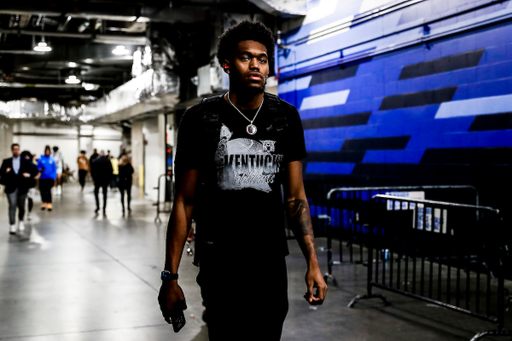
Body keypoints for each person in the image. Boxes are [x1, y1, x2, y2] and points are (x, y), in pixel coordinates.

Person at [157, 20, 327, 341]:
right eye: (245, 57)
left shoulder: (285, 118)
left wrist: (313, 263)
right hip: (220, 261)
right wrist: (170, 276)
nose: (255, 65)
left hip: (269, 262)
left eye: (262, 59)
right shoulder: (201, 120)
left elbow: (295, 198)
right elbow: (184, 202)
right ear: (227, 64)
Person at [0, 144, 39, 234]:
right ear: (12, 150)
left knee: (21, 206)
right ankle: (12, 225)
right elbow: (1, 172)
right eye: (14, 149)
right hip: (11, 187)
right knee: (12, 205)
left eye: (17, 149)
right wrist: (6, 172)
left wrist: (29, 175)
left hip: (23, 187)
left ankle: (21, 221)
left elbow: (35, 170)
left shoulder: (25, 161)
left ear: (19, 150)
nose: (16, 151)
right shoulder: (6, 161)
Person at [91, 150, 113, 215]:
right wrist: (109, 180)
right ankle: (104, 207)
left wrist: (94, 179)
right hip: (105, 180)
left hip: (97, 180)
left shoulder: (95, 161)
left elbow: (93, 171)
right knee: (105, 194)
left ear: (99, 154)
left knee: (96, 193)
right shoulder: (108, 161)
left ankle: (97, 206)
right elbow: (111, 170)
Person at [21, 151, 40, 221]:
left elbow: (36, 174)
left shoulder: (32, 165)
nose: (26, 158)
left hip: (31, 185)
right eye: (25, 157)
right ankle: (22, 213)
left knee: (30, 199)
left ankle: (29, 213)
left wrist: (29, 175)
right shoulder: (21, 165)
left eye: (28, 156)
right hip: (22, 185)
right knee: (21, 201)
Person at [38, 146, 57, 211]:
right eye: (46, 151)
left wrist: (54, 177)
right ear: (45, 152)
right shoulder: (41, 159)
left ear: (50, 152)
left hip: (49, 178)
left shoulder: (52, 160)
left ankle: (49, 203)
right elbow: (38, 167)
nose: (47, 152)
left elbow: (54, 169)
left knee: (48, 191)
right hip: (42, 178)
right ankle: (43, 202)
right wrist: (40, 169)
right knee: (42, 191)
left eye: (48, 151)